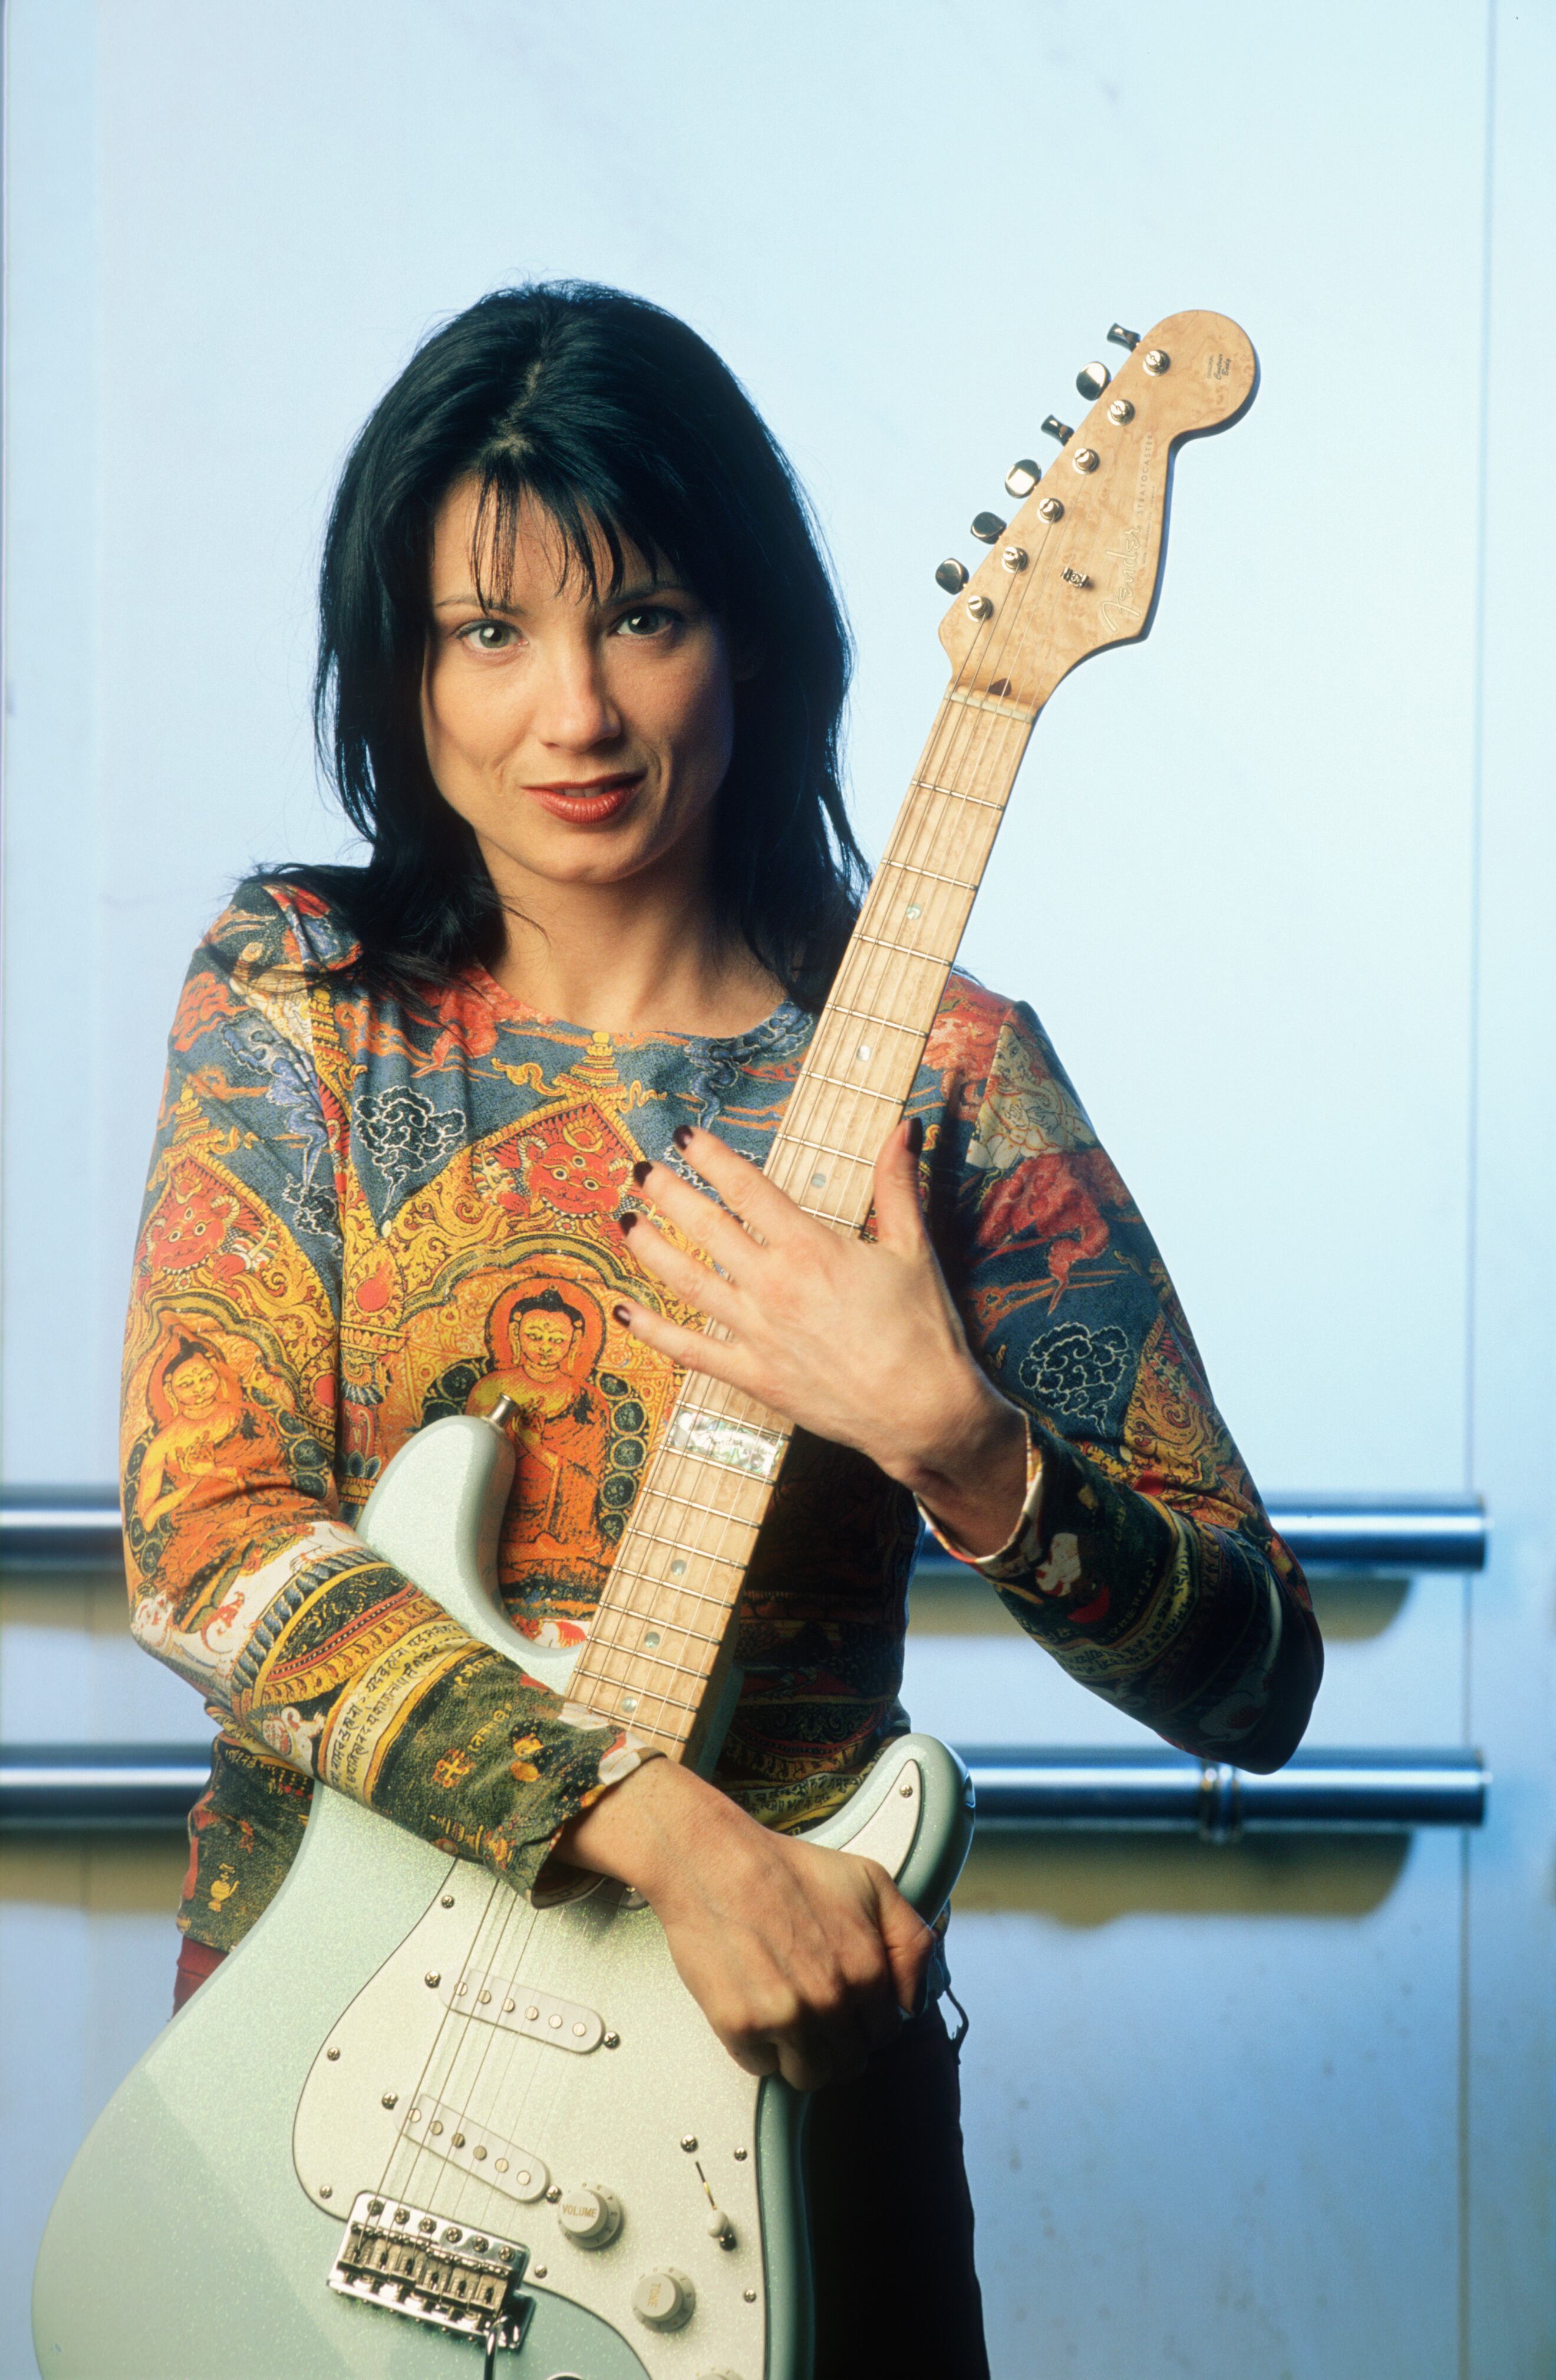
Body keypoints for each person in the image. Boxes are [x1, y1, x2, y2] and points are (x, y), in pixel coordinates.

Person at [121, 281, 1322, 2378]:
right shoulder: (305, 1001)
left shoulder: (953, 1084)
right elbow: (210, 1537)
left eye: (644, 616)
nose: (573, 714)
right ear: (401, 670)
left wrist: (963, 1445)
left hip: (772, 2136)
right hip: (318, 2107)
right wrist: (673, 1838)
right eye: (489, 634)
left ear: (755, 632)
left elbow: (1258, 1676)